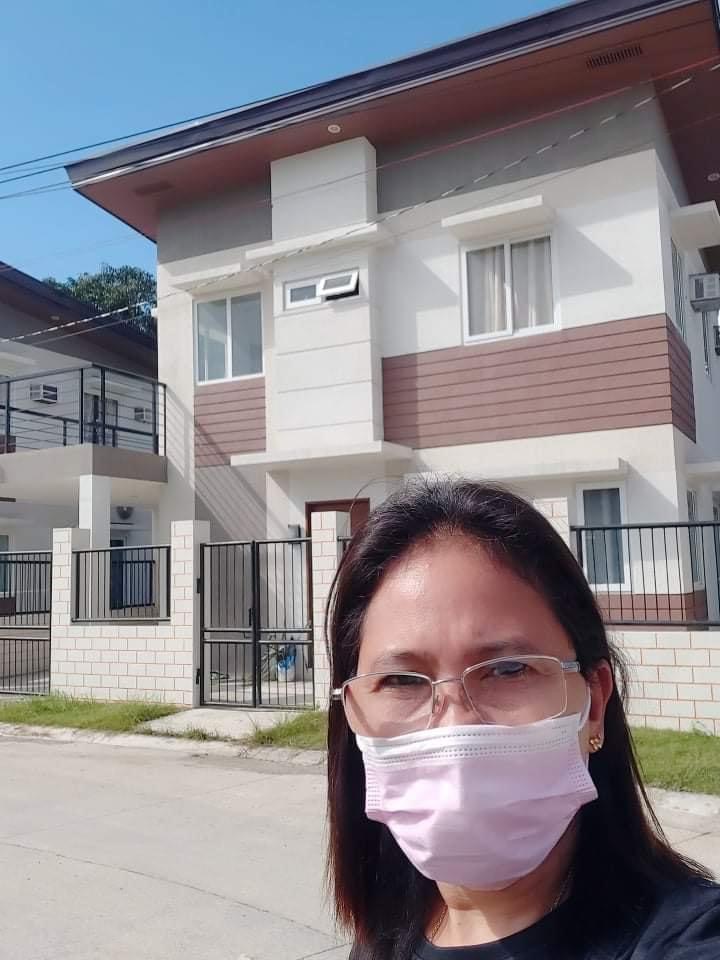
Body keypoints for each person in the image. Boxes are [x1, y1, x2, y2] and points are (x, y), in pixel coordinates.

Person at [325, 479, 720, 960]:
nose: (457, 729)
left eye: (508, 670)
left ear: (593, 703)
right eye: (403, 681)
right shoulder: (382, 935)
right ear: (353, 713)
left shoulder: (688, 940)